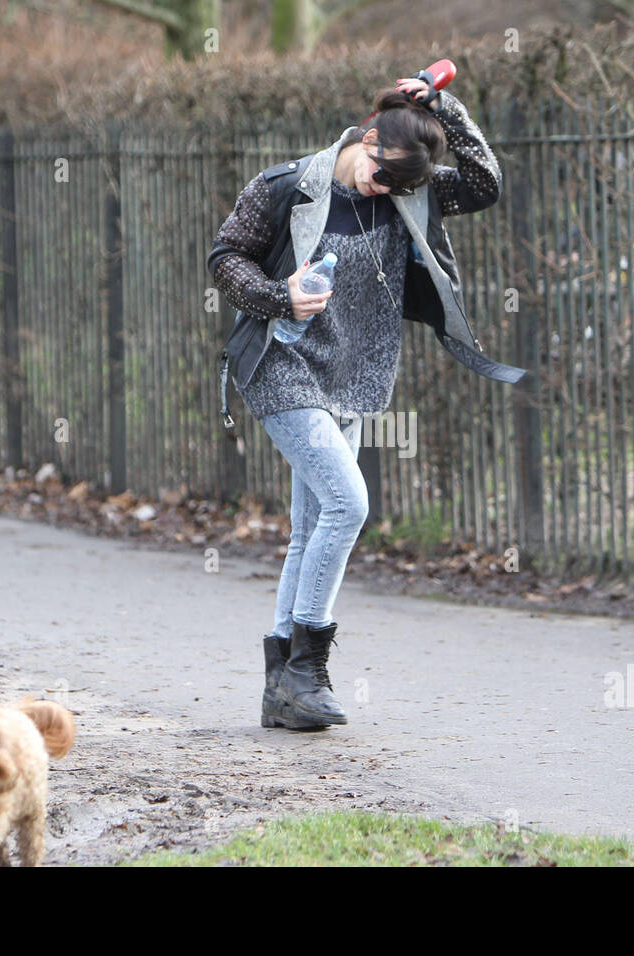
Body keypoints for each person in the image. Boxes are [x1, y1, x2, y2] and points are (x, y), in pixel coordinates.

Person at [206, 73, 524, 731]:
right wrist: (278, 296)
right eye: (380, 177)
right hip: (283, 366)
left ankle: (279, 691)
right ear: (367, 139)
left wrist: (446, 106)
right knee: (350, 504)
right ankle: (308, 668)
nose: (384, 192)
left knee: (312, 526)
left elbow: (486, 183)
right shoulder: (284, 186)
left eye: (398, 187)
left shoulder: (410, 190)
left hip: (352, 376)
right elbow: (225, 256)